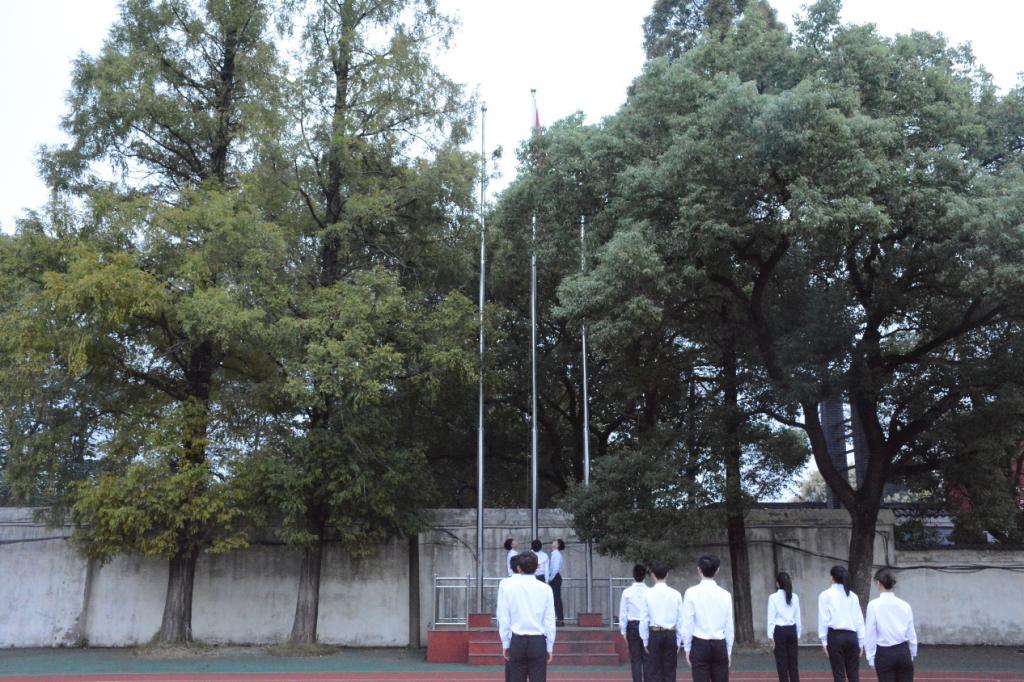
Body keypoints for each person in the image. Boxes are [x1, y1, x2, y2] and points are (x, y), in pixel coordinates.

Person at [497, 550, 557, 682]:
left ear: (518, 568)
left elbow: (504, 618)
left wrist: (505, 642)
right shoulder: (546, 589)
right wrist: (549, 646)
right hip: (538, 641)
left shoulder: (509, 588)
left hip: (517, 641)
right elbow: (549, 620)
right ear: (538, 567)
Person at [681, 554, 734, 682]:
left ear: (699, 570)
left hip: (699, 644)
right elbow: (729, 625)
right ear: (717, 571)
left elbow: (688, 623)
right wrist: (728, 650)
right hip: (719, 643)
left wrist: (687, 647)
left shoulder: (690, 593)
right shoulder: (725, 595)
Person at [865, 568, 917, 682]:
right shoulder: (905, 605)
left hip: (884, 653)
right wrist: (912, 653)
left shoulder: (873, 605)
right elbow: (911, 633)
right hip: (903, 651)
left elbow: (870, 633)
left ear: (878, 583)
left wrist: (871, 657)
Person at [818, 565, 865, 682]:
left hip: (835, 637)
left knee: (839, 675)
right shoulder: (853, 596)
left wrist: (824, 641)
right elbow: (859, 620)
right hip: (852, 637)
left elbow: (823, 620)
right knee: (854, 675)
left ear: (832, 578)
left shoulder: (825, 595)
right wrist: (861, 642)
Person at [640, 560, 684, 682]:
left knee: (654, 671)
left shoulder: (647, 594)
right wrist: (679, 640)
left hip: (654, 634)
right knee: (670, 672)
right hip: (670, 634)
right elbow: (680, 619)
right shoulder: (676, 594)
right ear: (667, 574)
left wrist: (645, 640)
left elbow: (644, 619)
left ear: (653, 575)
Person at [767, 571, 801, 682]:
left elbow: (771, 618)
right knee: (793, 663)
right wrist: (798, 634)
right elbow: (797, 617)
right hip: (792, 630)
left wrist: (770, 636)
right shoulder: (795, 597)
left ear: (777, 584)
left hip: (779, 631)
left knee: (782, 663)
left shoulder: (773, 597)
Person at [619, 563, 650, 682]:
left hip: (632, 626)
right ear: (645, 576)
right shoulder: (649, 591)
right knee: (647, 658)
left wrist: (623, 630)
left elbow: (623, 612)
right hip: (646, 625)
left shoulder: (627, 592)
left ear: (633, 575)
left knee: (635, 659)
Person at [547, 539, 565, 626]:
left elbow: (555, 568)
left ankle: (560, 620)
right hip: (554, 577)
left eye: (555, 542)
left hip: (555, 577)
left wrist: (550, 578)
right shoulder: (554, 554)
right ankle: (559, 619)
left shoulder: (556, 554)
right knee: (555, 599)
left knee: (556, 599)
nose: (552, 543)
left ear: (557, 545)